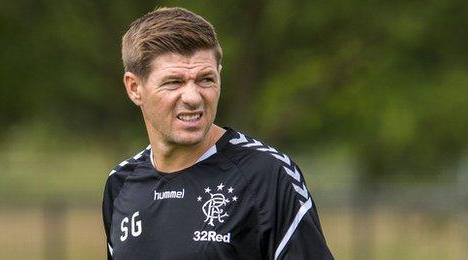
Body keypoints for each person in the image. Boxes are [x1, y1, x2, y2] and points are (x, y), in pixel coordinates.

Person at [102, 7, 333, 260]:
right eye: (174, 82)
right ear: (135, 88)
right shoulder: (121, 183)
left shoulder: (267, 175)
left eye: (205, 79)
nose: (193, 97)